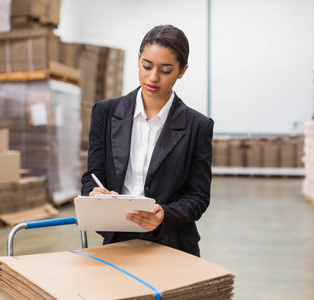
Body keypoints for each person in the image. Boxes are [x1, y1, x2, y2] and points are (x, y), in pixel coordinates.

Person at [81, 24, 214, 257]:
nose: (153, 77)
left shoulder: (198, 126)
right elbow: (92, 175)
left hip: (173, 243)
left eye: (166, 70)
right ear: (138, 60)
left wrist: (166, 215)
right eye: (146, 66)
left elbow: (199, 197)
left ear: (182, 71)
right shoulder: (105, 113)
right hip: (117, 240)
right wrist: (94, 191)